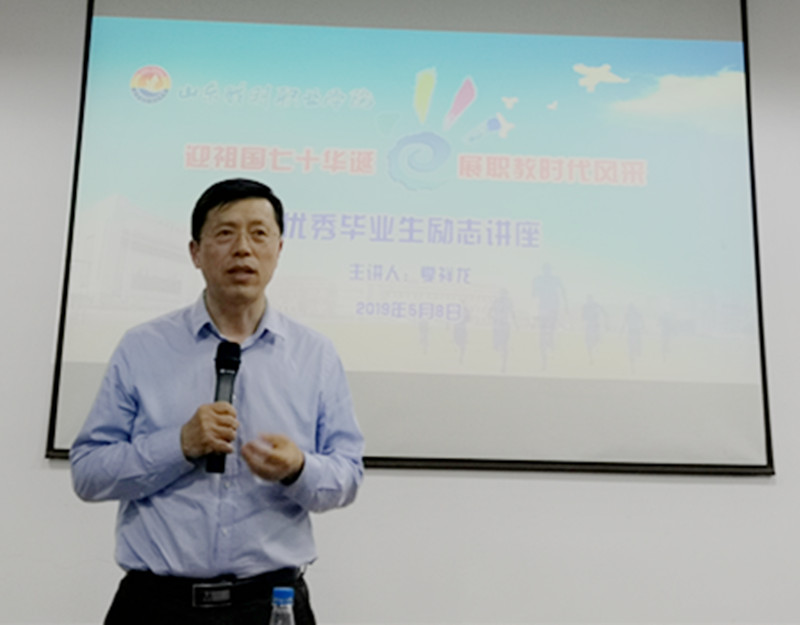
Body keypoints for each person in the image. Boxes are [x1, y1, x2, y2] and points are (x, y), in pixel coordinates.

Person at [70, 178, 365, 625]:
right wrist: (178, 445)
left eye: (259, 234)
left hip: (270, 604)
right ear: (195, 252)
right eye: (225, 233)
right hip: (156, 605)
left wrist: (299, 468)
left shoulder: (315, 355)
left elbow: (348, 475)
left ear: (279, 249)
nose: (243, 248)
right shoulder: (142, 348)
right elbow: (89, 473)